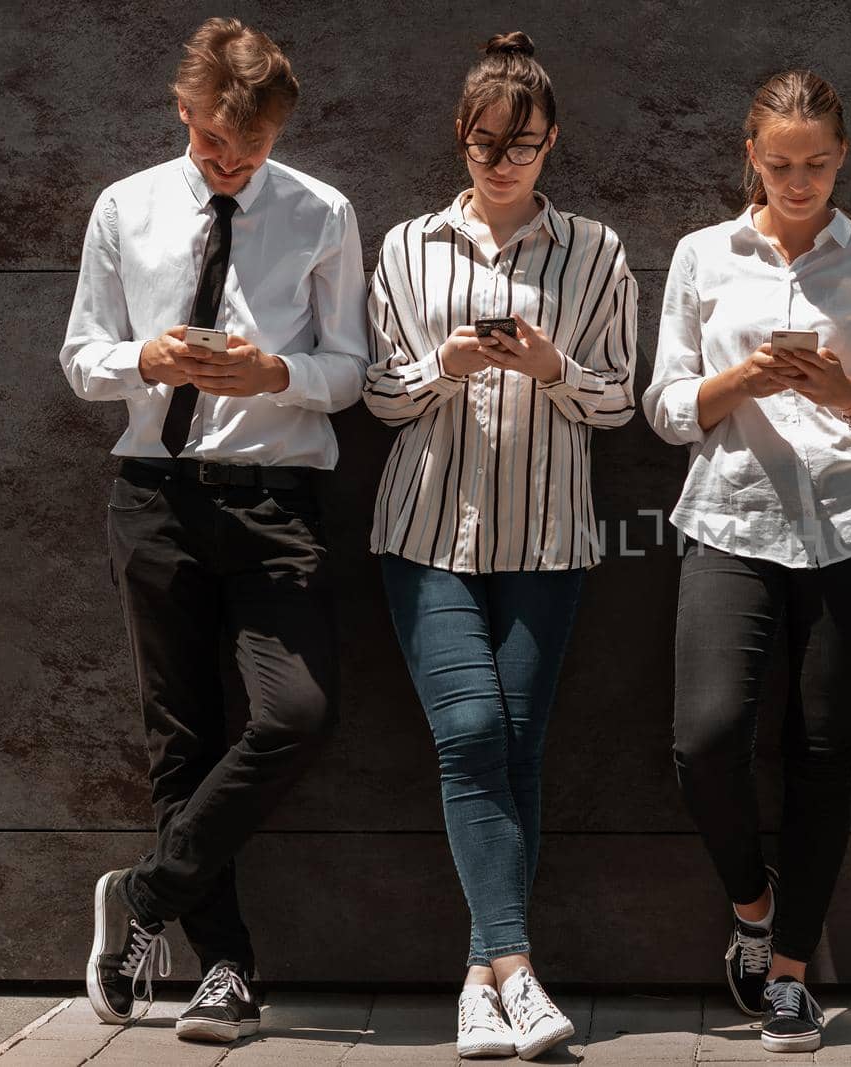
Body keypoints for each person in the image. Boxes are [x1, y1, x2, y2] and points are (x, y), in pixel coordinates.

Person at [62, 17, 367, 1045]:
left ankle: (143, 895)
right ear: (182, 110)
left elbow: (352, 372)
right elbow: (81, 358)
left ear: (277, 129)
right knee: (180, 735)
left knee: (298, 712)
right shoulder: (127, 207)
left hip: (275, 497)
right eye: (211, 144)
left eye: (252, 148)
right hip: (153, 491)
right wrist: (149, 359)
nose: (231, 164)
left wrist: (274, 372)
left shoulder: (321, 211)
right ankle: (226, 966)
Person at [362, 31, 637, 1061]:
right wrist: (446, 361)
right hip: (426, 532)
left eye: (521, 144)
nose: (502, 161)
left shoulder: (595, 252)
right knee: (472, 731)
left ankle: (481, 981)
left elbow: (616, 401)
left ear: (552, 140)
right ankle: (518, 966)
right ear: (460, 139)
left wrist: (552, 364)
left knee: (517, 748)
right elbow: (381, 396)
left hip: (546, 538)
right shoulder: (406, 246)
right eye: (485, 144)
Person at [643, 69, 851, 1055]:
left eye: (814, 164)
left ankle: (794, 975)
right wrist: (745, 377)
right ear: (748, 158)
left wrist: (844, 391)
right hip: (730, 519)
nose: (797, 181)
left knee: (821, 751)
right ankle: (752, 903)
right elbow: (667, 406)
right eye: (778, 164)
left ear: (843, 156)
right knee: (706, 737)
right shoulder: (700, 256)